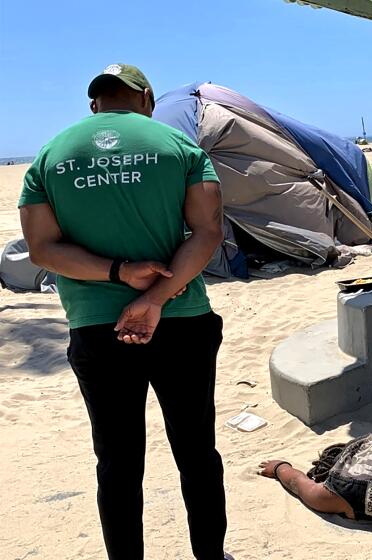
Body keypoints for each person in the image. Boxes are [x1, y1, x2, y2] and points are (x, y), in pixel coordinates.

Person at [19, 64, 231, 560]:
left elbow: (42, 250)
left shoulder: (50, 156)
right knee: (197, 453)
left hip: (96, 328)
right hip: (182, 321)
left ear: (94, 104)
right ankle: (210, 556)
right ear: (147, 99)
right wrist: (155, 297)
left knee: (116, 462)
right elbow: (208, 233)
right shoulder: (179, 147)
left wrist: (119, 272)